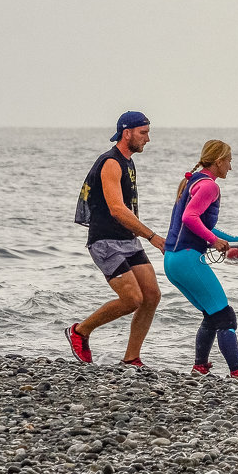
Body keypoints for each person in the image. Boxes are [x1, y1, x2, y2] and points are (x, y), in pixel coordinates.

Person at [67, 111, 165, 367]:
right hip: (105, 241)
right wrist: (152, 237)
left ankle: (131, 358)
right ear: (127, 133)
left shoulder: (127, 161)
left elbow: (128, 211)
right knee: (132, 299)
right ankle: (80, 332)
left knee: (152, 295)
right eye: (143, 133)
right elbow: (117, 209)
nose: (148, 139)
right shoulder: (111, 162)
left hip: (127, 240)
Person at [162, 140, 238, 379]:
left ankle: (200, 367)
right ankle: (237, 372)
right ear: (219, 161)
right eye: (229, 161)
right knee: (225, 316)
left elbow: (202, 223)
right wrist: (213, 241)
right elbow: (190, 218)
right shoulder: (210, 186)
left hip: (173, 260)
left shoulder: (192, 181)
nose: (230, 168)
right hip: (187, 258)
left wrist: (236, 240)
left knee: (212, 314)